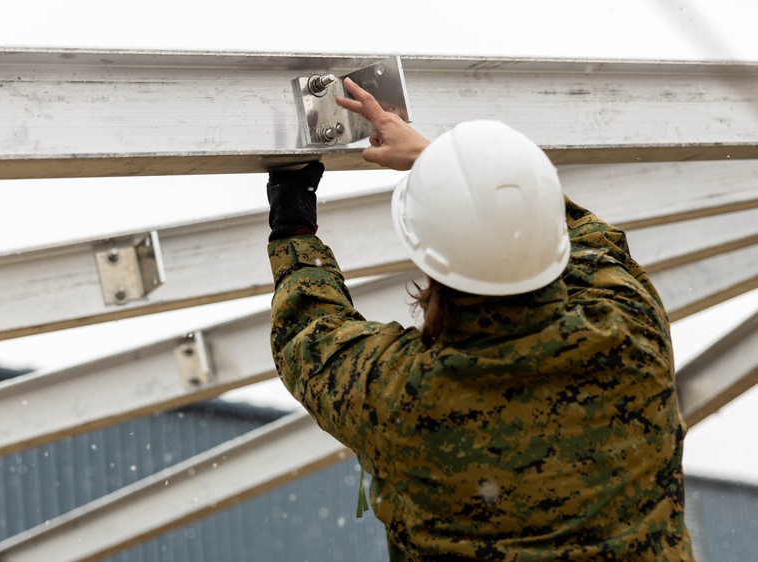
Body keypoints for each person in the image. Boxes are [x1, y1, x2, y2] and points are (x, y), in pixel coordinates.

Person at [265, 77, 694, 560]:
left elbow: (308, 333)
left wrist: (293, 222)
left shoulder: (406, 398)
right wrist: (441, 167)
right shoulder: (633, 334)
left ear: (428, 256)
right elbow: (587, 240)